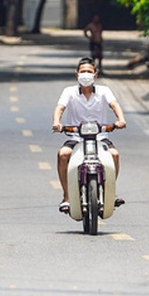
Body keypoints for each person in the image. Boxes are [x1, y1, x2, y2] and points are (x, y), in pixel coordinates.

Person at [52, 57, 127, 213]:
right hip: (76, 137)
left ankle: (110, 193)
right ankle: (66, 197)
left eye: (89, 72)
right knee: (63, 154)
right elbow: (60, 107)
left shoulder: (104, 91)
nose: (86, 74)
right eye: (83, 71)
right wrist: (57, 122)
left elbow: (114, 105)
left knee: (114, 154)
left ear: (95, 75)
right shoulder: (69, 91)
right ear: (77, 74)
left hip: (100, 137)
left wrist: (120, 120)